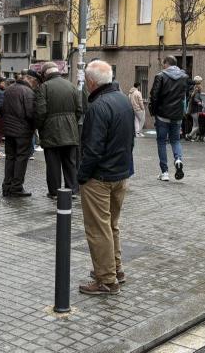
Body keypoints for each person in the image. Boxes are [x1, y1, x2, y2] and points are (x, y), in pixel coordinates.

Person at [77, 60, 134, 296]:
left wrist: (81, 176)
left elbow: (93, 148)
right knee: (111, 226)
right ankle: (115, 270)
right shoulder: (123, 99)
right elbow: (130, 139)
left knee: (98, 229)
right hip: (121, 173)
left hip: (99, 177)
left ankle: (107, 280)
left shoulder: (98, 107)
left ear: (91, 83)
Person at [35, 63, 83, 198]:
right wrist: (71, 121)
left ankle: (54, 192)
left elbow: (41, 111)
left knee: (53, 164)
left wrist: (40, 127)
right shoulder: (71, 86)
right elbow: (79, 109)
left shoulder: (44, 87)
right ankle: (72, 190)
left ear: (45, 74)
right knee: (70, 163)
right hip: (70, 131)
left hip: (51, 132)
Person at [149, 56, 189, 182]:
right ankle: (178, 159)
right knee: (175, 140)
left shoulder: (160, 76)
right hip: (177, 115)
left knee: (161, 142)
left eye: (163, 63)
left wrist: (153, 111)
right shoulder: (184, 77)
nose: (162, 66)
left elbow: (154, 96)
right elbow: (184, 96)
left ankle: (164, 172)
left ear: (166, 63)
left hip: (162, 115)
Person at [2, 70, 39, 196]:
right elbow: (30, 113)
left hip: (8, 130)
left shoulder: (9, 89)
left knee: (10, 157)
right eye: (36, 82)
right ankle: (16, 187)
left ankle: (7, 186)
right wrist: (35, 127)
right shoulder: (28, 92)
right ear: (31, 79)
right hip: (22, 131)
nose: (36, 85)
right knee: (21, 158)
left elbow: (2, 108)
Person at [185, 76, 205, 141]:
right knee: (197, 126)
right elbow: (195, 99)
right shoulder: (196, 89)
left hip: (193, 109)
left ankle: (193, 137)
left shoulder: (192, 88)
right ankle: (189, 135)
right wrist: (200, 102)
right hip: (195, 109)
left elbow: (192, 97)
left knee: (194, 124)